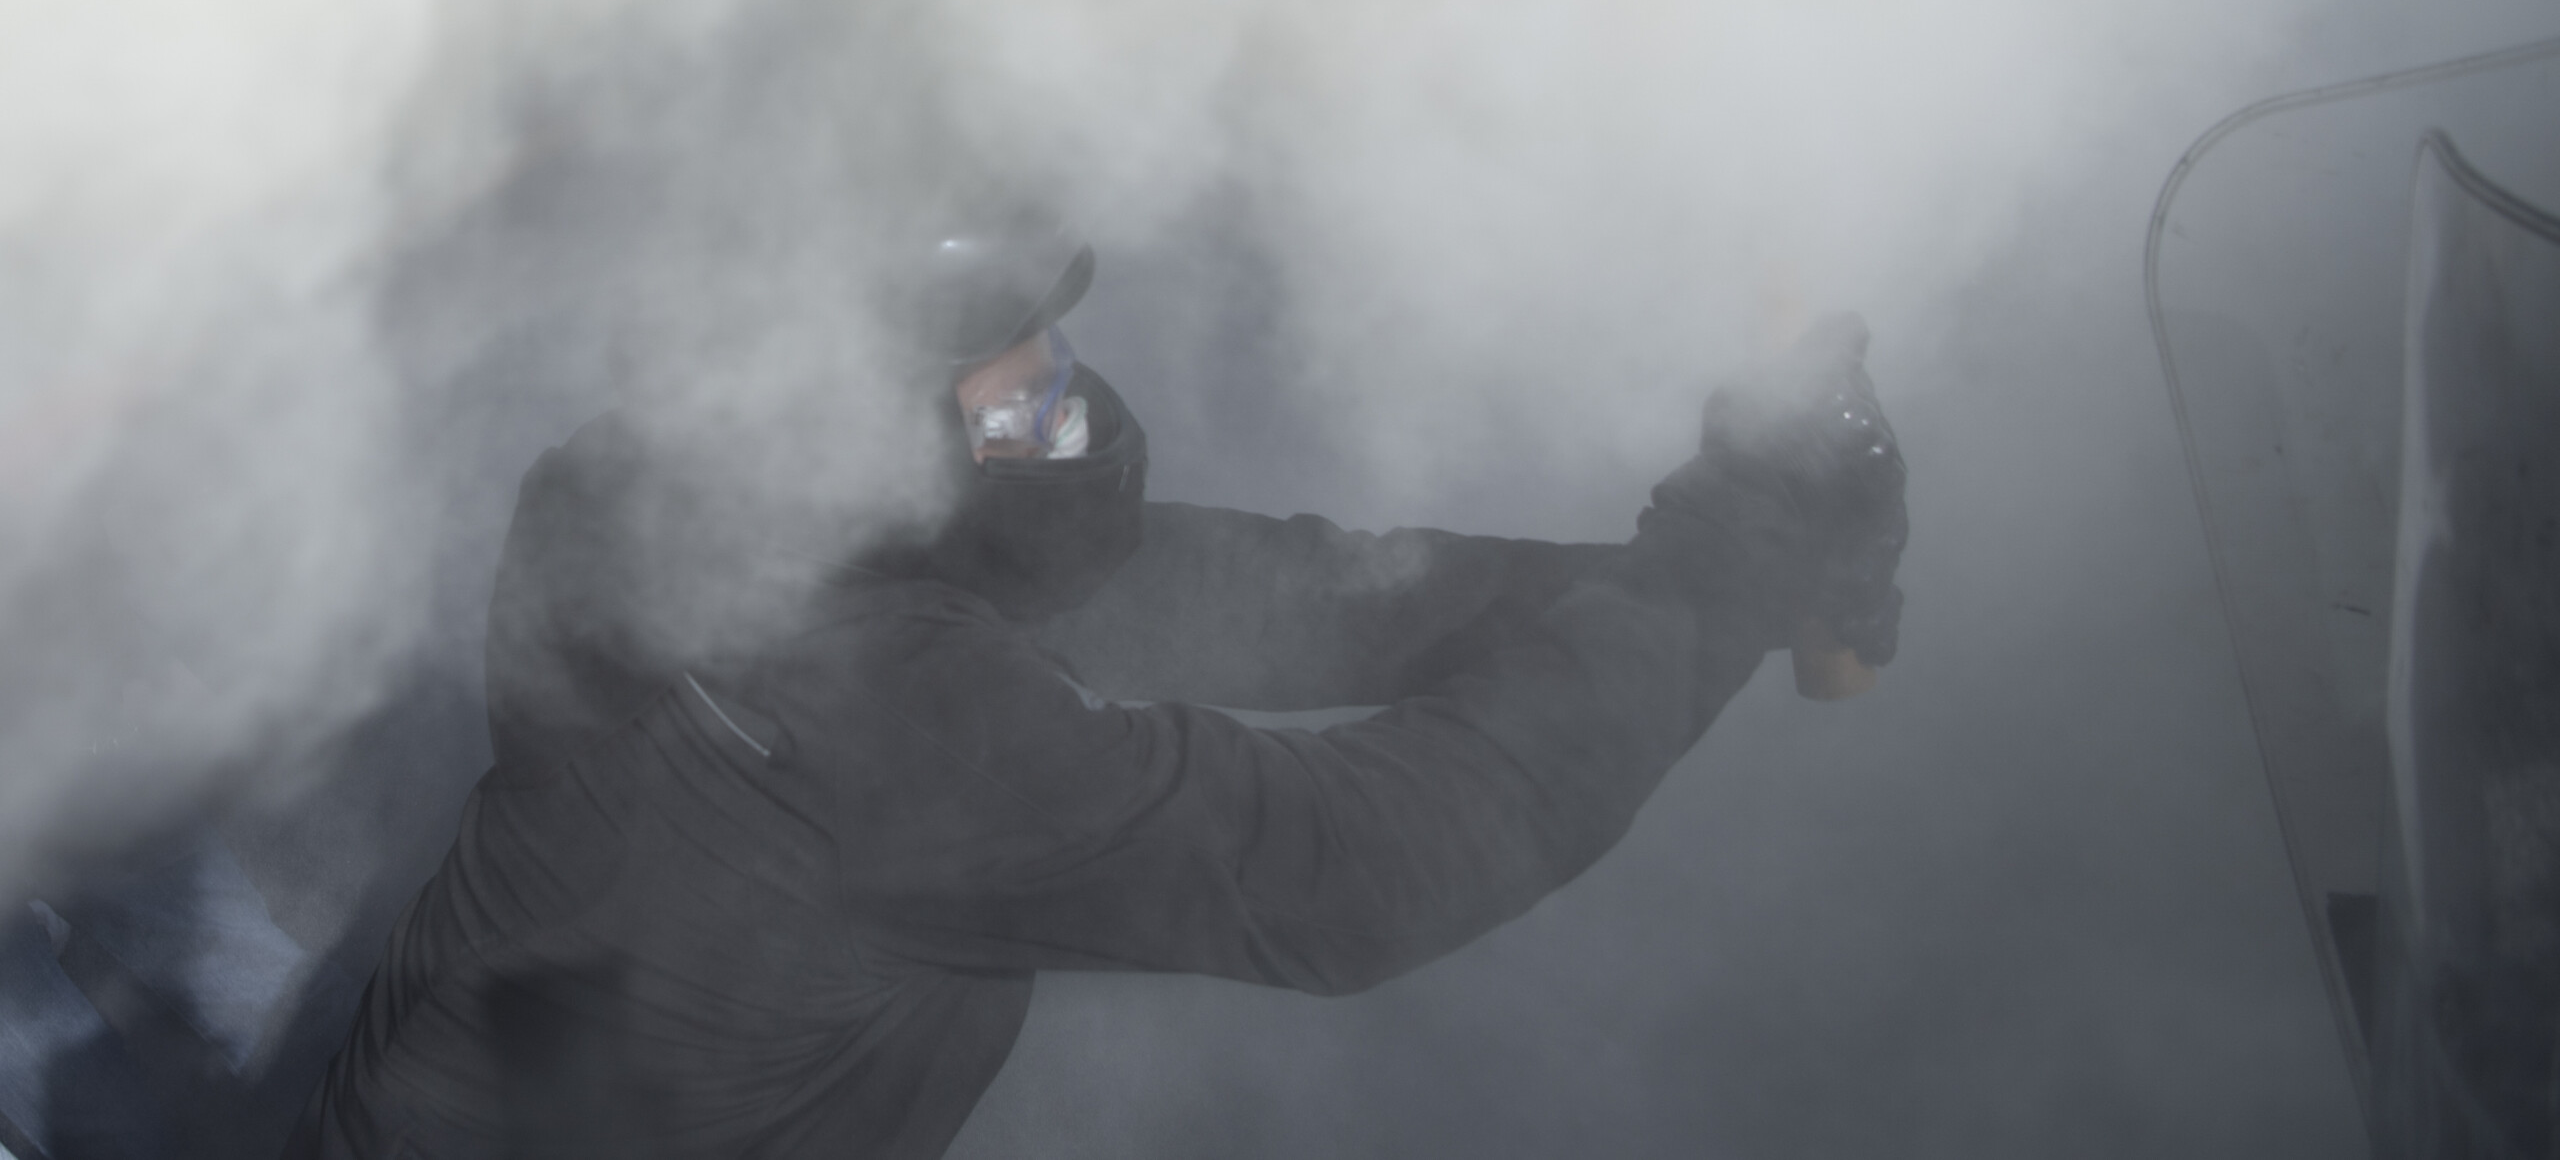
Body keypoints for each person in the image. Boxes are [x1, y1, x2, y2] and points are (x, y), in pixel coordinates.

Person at [288, 211, 1907, 1158]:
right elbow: (1367, 860)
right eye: (998, 362)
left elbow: (1279, 594)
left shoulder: (654, 497)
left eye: (1033, 334)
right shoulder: (892, 730)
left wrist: (1690, 568)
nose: (1047, 378)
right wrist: (1732, 564)